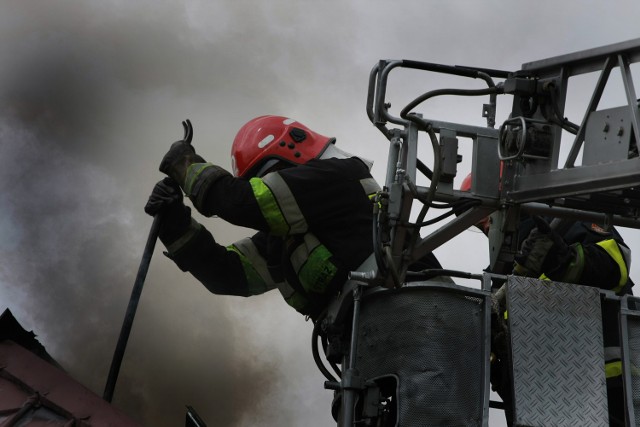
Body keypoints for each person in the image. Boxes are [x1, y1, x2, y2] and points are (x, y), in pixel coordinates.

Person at [144, 115, 382, 321]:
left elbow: (243, 203)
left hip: (400, 313)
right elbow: (226, 274)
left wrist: (186, 167)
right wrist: (173, 221)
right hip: (367, 344)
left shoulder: (340, 176)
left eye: (268, 180)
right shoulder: (281, 241)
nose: (268, 186)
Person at [460, 173, 633, 427]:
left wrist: (563, 260)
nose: (484, 226)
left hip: (603, 385)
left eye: (484, 214)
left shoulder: (568, 219)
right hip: (535, 403)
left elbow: (615, 265)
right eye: (477, 222)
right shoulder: (497, 275)